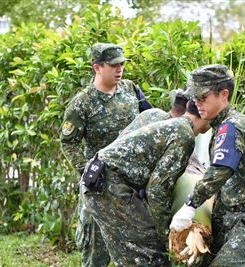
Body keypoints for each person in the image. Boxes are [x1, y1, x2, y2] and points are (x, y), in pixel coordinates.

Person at [170, 64, 245, 266]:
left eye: (202, 97)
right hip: (237, 220)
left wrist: (190, 205)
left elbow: (221, 171)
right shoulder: (222, 127)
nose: (197, 104)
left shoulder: (232, 126)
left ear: (224, 95)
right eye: (194, 99)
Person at [80, 101, 210, 266]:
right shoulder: (184, 134)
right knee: (152, 253)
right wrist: (166, 233)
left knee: (129, 256)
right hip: (109, 185)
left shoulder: (171, 124)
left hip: (96, 180)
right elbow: (156, 189)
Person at [60, 42, 151, 267]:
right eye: (113, 65)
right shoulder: (83, 103)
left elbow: (151, 120)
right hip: (99, 187)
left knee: (135, 248)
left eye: (121, 64)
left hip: (131, 183)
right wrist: (88, 172)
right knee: (96, 252)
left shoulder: (131, 90)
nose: (119, 69)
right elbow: (68, 143)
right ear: (97, 68)